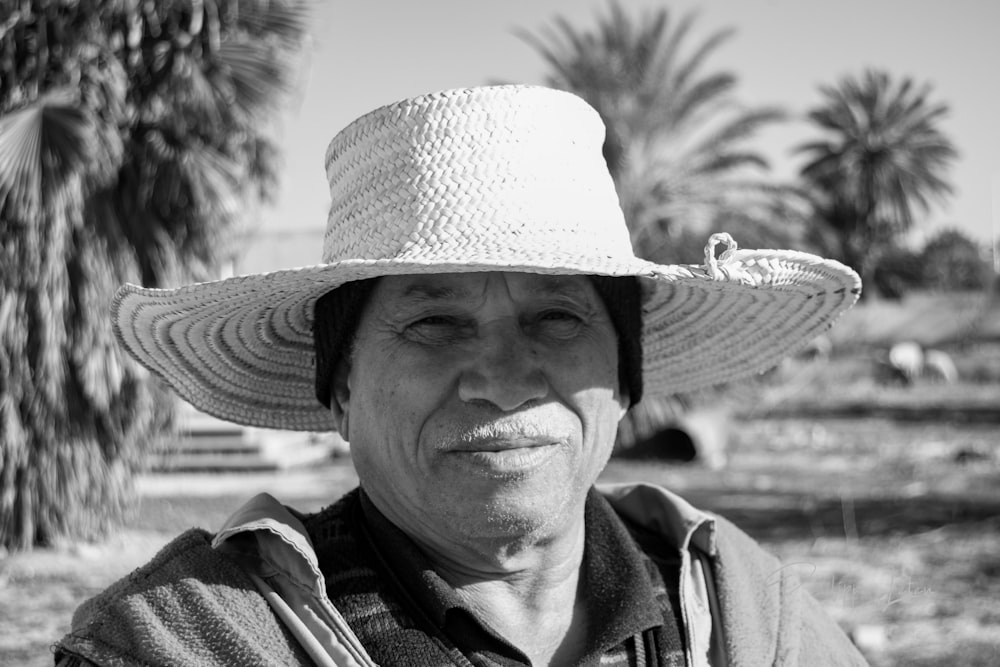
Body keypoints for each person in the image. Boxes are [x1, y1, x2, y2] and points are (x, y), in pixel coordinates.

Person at [55, 85, 869, 666]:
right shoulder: (185, 638)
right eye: (435, 323)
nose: (503, 378)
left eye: (557, 318)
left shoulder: (739, 608)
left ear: (624, 379)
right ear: (338, 386)